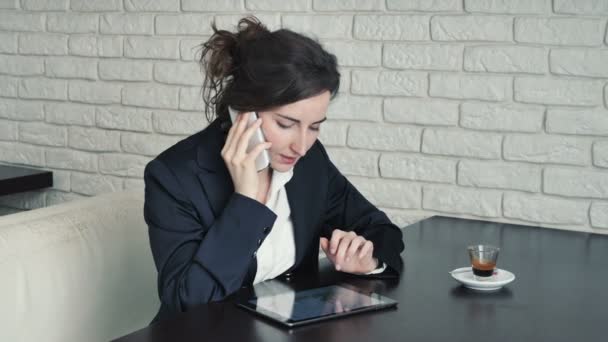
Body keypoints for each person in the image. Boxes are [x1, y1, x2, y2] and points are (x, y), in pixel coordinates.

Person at [143, 16, 404, 323]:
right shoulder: (175, 177)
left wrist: (367, 259)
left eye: (315, 127)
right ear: (244, 111)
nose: (302, 145)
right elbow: (189, 301)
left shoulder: (309, 161)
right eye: (286, 124)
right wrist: (247, 202)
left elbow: (382, 230)